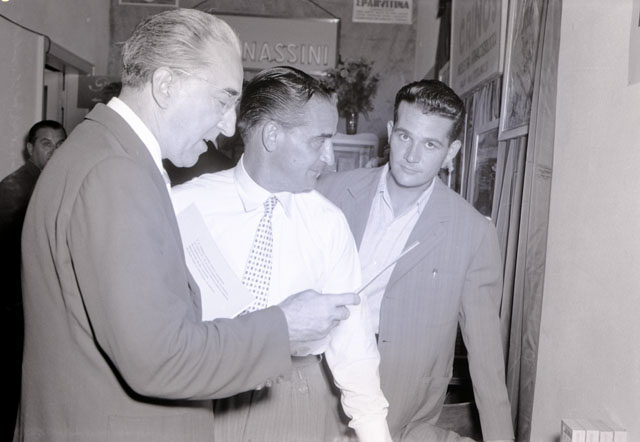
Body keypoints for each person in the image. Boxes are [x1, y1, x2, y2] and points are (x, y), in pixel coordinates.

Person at [17, 10, 358, 442]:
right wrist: (283, 326)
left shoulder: (101, 151)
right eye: (222, 101)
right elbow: (160, 357)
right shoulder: (116, 172)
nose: (229, 127)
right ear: (166, 85)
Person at [171, 66, 391, 442]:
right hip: (199, 395)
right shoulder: (184, 206)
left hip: (294, 402)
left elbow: (352, 343)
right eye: (319, 141)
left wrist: (375, 434)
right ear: (272, 135)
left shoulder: (328, 224)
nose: (330, 158)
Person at [318, 79, 515, 442]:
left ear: (451, 152)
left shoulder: (473, 232)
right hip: (314, 382)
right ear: (390, 131)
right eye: (405, 137)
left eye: (430, 144)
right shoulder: (329, 191)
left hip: (399, 407)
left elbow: (486, 361)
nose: (412, 156)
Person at [0, 120, 66, 441]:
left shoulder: (49, 183)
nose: (54, 151)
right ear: (30, 149)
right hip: (14, 312)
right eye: (46, 144)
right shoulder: (14, 190)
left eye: (60, 144)